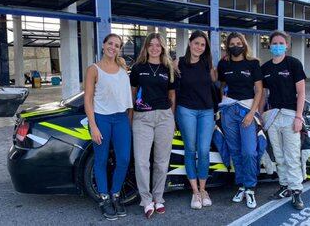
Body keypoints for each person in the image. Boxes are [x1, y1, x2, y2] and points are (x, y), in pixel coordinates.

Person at [84, 33, 133, 220]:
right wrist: (93, 126)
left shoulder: (122, 68)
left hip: (121, 119)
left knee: (123, 159)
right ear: (103, 45)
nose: (113, 47)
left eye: (117, 45)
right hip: (102, 119)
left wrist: (128, 121)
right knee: (101, 159)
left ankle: (116, 194)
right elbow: (88, 99)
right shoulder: (93, 69)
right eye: (110, 43)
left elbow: (127, 97)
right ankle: (104, 198)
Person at [130, 32, 176, 219]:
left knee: (161, 161)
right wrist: (131, 117)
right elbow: (132, 94)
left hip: (164, 117)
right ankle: (146, 200)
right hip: (142, 118)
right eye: (151, 45)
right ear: (146, 47)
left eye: (158, 45)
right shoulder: (138, 68)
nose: (155, 48)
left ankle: (158, 198)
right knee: (142, 161)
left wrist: (170, 116)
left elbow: (172, 95)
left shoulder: (168, 68)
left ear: (162, 47)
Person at [259, 30, 307, 210]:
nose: (277, 46)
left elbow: (301, 92)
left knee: (292, 155)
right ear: (269, 45)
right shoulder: (265, 68)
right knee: (278, 155)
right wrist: (260, 115)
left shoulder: (293, 64)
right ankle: (285, 186)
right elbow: (263, 95)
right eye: (274, 43)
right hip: (272, 117)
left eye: (281, 43)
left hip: (290, 116)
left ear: (287, 45)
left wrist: (298, 117)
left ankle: (296, 191)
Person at [217, 32, 263, 209]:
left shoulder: (253, 63)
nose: (235, 46)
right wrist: (223, 104)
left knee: (249, 151)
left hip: (247, 111)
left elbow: (259, 90)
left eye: (238, 43)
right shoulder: (224, 64)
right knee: (235, 151)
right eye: (232, 43)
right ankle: (242, 186)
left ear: (244, 45)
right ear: (227, 46)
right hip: (229, 111)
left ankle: (250, 187)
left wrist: (252, 113)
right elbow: (221, 85)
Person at [173, 30, 217, 210]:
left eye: (202, 44)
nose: (199, 46)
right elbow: (173, 91)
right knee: (190, 150)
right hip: (186, 111)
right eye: (196, 43)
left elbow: (218, 85)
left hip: (206, 111)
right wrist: (172, 113)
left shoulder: (208, 64)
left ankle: (203, 189)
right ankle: (195, 192)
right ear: (190, 43)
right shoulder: (178, 63)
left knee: (204, 150)